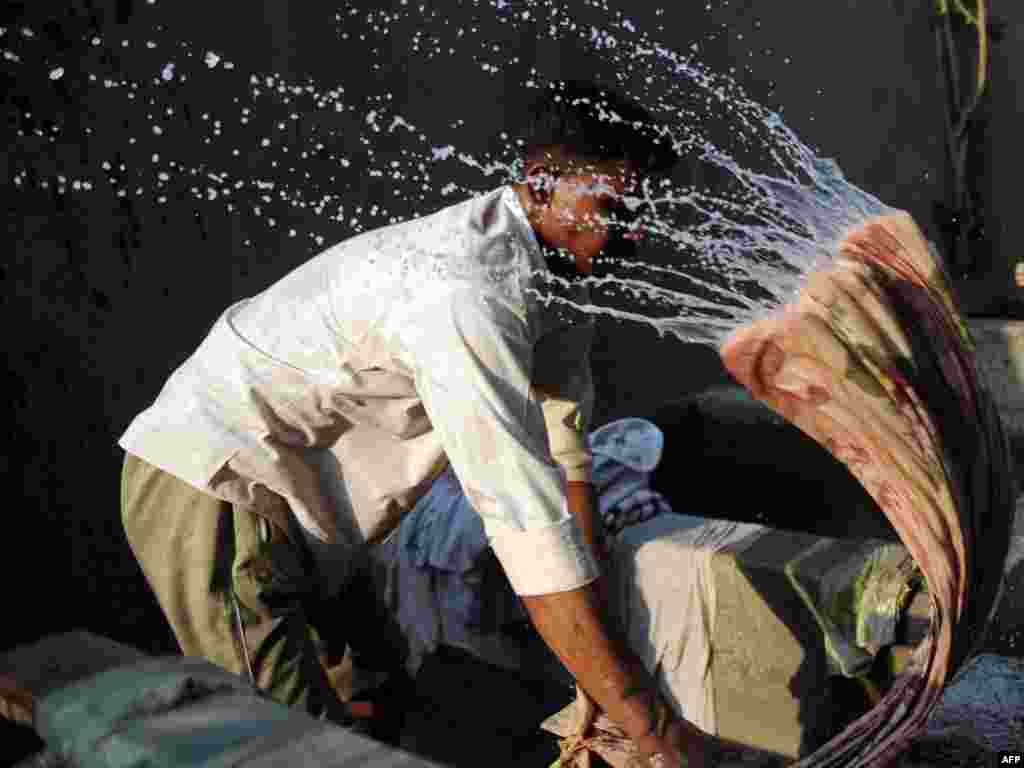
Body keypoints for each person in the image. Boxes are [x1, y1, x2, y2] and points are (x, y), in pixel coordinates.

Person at [117, 78, 711, 766]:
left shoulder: (553, 281)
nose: (630, 231)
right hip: (219, 485)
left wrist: (599, 674)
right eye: (612, 205)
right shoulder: (467, 293)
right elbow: (524, 525)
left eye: (643, 212)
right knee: (294, 746)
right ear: (542, 181)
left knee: (377, 695)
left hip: (310, 515)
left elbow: (563, 462)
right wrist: (645, 717)